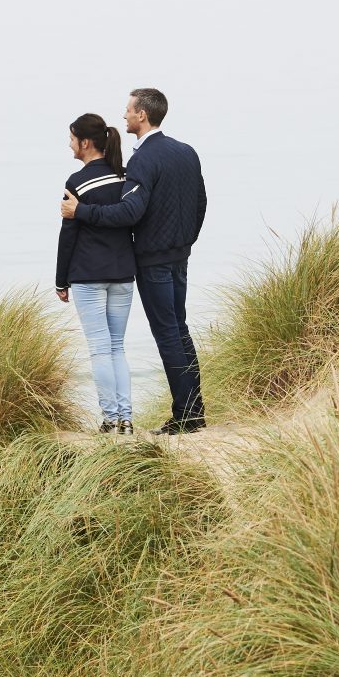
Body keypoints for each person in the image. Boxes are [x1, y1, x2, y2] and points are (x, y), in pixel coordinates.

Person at [60, 88, 206, 433]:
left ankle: (186, 417)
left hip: (154, 260)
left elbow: (129, 211)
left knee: (167, 334)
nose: (124, 116)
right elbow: (200, 203)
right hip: (179, 255)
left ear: (142, 115)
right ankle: (194, 412)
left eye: (128, 110)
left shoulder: (143, 160)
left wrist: (81, 210)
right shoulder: (186, 152)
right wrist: (186, 242)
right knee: (180, 331)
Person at [55, 113, 138, 433]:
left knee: (100, 349)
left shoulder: (76, 183)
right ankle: (126, 418)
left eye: (72, 138)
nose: (70, 144)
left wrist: (61, 280)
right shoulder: (125, 177)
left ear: (85, 143)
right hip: (122, 272)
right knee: (117, 346)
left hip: (88, 275)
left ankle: (110, 419)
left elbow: (68, 235)